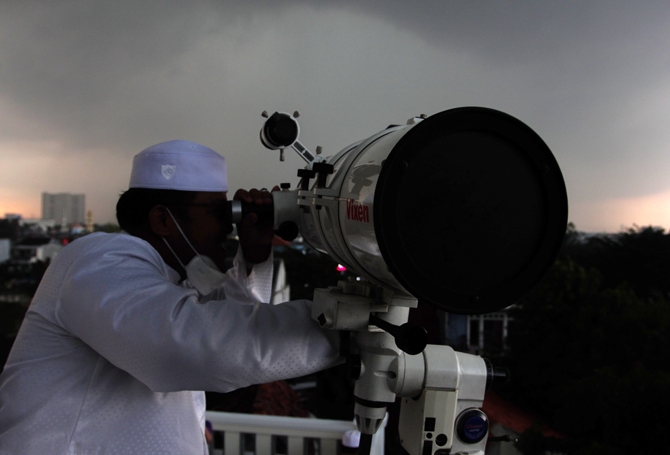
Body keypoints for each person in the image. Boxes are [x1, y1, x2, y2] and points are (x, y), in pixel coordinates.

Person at [0, 140, 342, 454]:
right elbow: (205, 348)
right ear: (163, 220)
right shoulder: (98, 258)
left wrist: (253, 254)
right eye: (217, 212)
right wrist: (346, 328)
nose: (228, 226)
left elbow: (235, 326)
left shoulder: (173, 280)